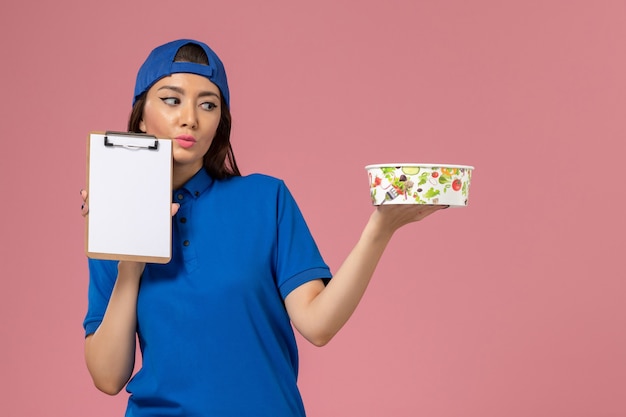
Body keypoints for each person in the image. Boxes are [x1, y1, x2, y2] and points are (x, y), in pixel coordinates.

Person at [81, 39, 446, 417]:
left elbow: (318, 324)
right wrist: (131, 262)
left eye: (208, 104)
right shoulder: (116, 218)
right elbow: (108, 378)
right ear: (141, 116)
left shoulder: (265, 198)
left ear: (220, 121)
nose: (189, 117)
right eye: (172, 100)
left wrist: (380, 227)